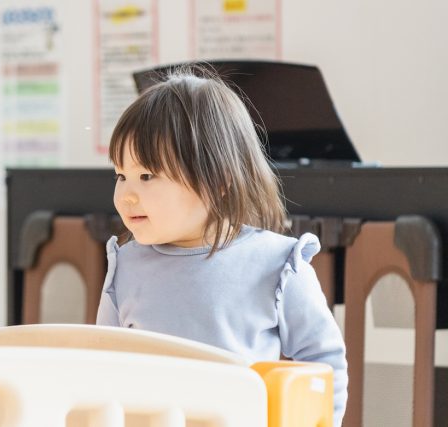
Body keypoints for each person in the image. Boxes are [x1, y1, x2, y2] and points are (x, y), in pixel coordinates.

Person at [96, 67, 348, 425]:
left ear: (217, 183)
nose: (127, 195)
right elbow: (100, 367)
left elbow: (323, 363)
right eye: (121, 175)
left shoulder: (276, 264)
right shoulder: (125, 266)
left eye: (147, 176)